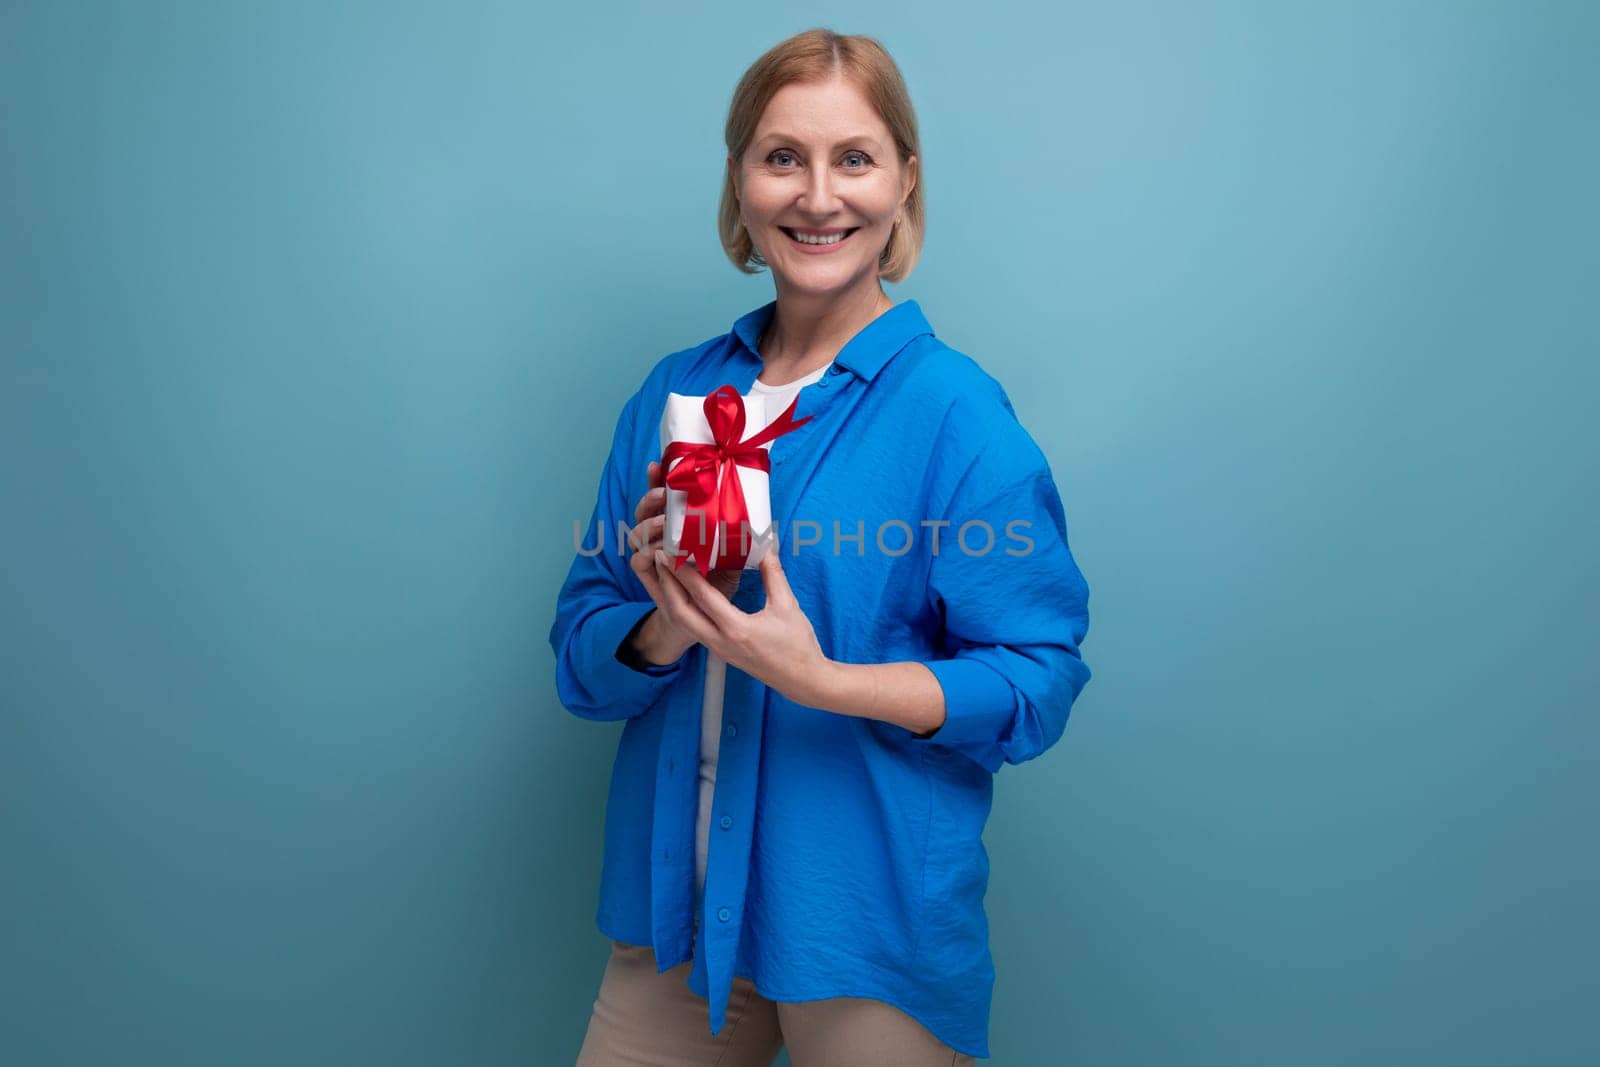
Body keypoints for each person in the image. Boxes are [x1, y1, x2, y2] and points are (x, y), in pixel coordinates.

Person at [549, 27, 1092, 1066]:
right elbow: (580, 656)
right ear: (741, 181)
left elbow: (1036, 681)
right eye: (782, 156)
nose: (816, 195)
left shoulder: (954, 414)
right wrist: (668, 622)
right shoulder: (672, 393)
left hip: (860, 921)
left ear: (902, 184)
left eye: (853, 158)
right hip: (672, 917)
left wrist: (824, 680)